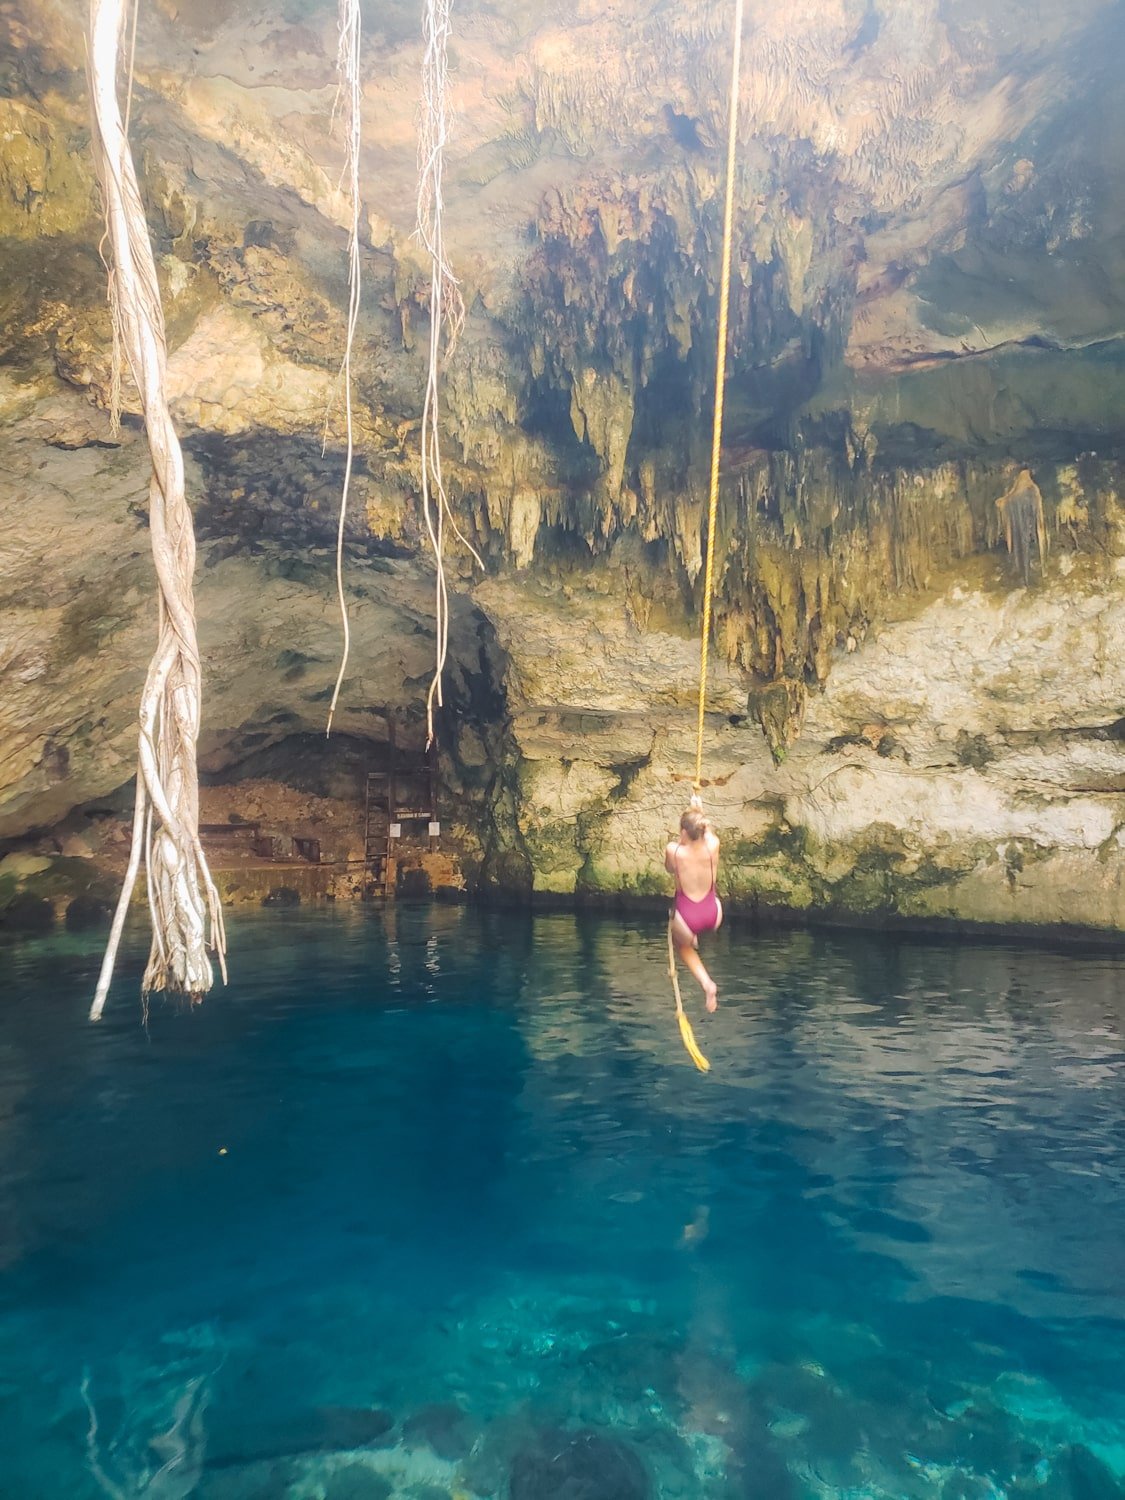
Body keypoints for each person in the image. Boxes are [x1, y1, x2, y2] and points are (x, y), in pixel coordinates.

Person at [665, 798, 722, 1011]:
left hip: (688, 915)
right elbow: (707, 832)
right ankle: (695, 936)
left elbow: (670, 869)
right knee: (691, 936)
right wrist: (699, 810)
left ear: (684, 833)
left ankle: (707, 984)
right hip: (713, 912)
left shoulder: (675, 851)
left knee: (682, 946)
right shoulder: (713, 846)